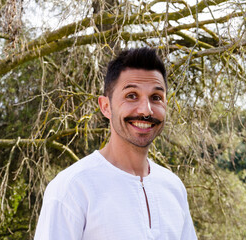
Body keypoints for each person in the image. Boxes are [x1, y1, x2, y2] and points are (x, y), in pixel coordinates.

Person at [34, 47, 198, 240]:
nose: (146, 110)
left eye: (156, 98)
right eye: (131, 96)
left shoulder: (174, 187)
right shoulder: (72, 188)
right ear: (105, 106)